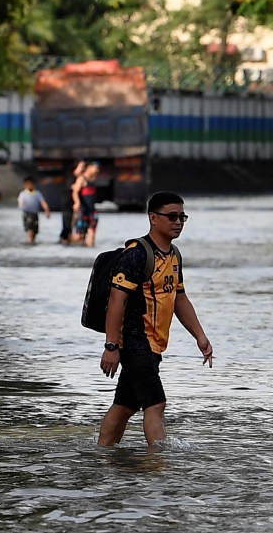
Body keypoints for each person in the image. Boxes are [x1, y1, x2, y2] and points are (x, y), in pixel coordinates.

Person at [98, 191, 213, 447]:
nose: (178, 222)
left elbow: (179, 298)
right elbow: (116, 301)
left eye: (182, 217)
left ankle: (102, 455)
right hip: (135, 340)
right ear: (153, 217)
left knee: (125, 406)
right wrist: (111, 346)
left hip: (153, 344)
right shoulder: (137, 254)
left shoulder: (173, 255)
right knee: (156, 403)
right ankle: (158, 466)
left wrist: (200, 336)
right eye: (172, 216)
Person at [71, 161, 101, 247]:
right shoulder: (82, 179)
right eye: (96, 168)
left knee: (92, 231)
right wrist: (77, 203)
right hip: (83, 210)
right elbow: (75, 192)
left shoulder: (93, 179)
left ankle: (91, 249)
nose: (97, 171)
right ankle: (67, 240)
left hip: (92, 210)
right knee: (79, 236)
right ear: (89, 167)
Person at [17, 177, 50, 244]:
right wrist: (22, 206)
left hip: (35, 214)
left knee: (35, 230)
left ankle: (32, 241)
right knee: (30, 229)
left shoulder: (37, 193)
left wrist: (47, 211)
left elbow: (43, 202)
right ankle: (29, 241)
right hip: (27, 214)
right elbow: (20, 203)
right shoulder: (23, 194)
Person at [60, 160, 86, 245]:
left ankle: (68, 240)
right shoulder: (70, 177)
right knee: (67, 225)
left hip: (74, 205)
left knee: (74, 226)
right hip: (67, 204)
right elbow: (73, 187)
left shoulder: (80, 178)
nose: (83, 169)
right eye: (81, 167)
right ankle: (63, 239)